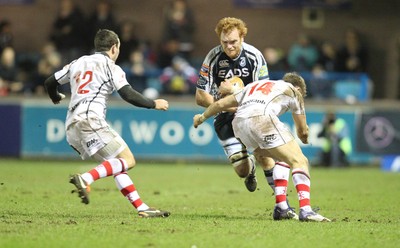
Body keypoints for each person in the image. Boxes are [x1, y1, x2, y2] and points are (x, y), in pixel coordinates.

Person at [44, 29, 170, 218]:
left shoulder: (78, 62)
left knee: (116, 164)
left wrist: (55, 97)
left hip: (72, 126)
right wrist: (154, 104)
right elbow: (127, 94)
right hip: (90, 119)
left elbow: (49, 82)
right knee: (128, 160)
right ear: (114, 47)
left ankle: (141, 208)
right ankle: (85, 178)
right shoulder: (111, 67)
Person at [193, 73, 331, 222]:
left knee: (281, 158)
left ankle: (281, 207)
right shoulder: (293, 91)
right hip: (261, 118)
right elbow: (302, 132)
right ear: (298, 88)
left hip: (239, 125)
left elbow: (220, 104)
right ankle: (306, 210)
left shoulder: (254, 86)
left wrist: (201, 118)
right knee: (300, 161)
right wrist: (305, 136)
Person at [195, 17, 294, 216]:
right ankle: (249, 171)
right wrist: (225, 104)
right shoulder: (213, 58)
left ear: (242, 37)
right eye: (224, 42)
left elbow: (263, 94)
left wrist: (233, 94)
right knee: (241, 170)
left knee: (266, 159)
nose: (229, 46)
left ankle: (283, 206)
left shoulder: (255, 57)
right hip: (224, 117)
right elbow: (200, 96)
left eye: (233, 41)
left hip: (253, 115)